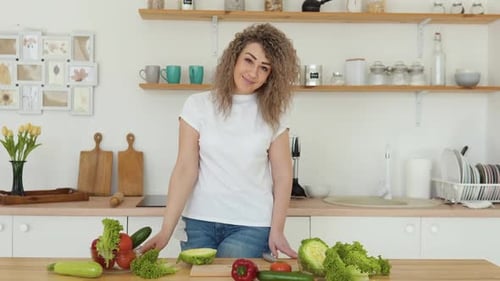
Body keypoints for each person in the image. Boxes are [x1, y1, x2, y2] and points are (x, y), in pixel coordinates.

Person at [141, 23, 300, 259]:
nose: (253, 73)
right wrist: (166, 231)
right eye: (249, 60)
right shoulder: (198, 105)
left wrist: (277, 230)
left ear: (271, 76)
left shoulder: (273, 114)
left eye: (264, 68)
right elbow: (185, 169)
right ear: (234, 58)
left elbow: (283, 176)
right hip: (199, 223)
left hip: (252, 226)